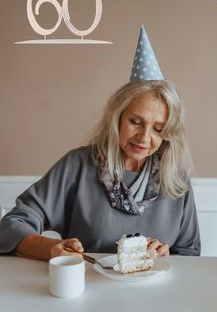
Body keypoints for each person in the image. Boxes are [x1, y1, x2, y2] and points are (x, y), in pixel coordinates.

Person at [0, 26, 200, 261]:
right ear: (117, 117)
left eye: (158, 129)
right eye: (135, 122)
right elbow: (12, 226)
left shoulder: (177, 179)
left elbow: (189, 253)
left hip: (153, 296)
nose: (144, 138)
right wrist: (51, 248)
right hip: (85, 292)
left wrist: (165, 256)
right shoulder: (78, 165)